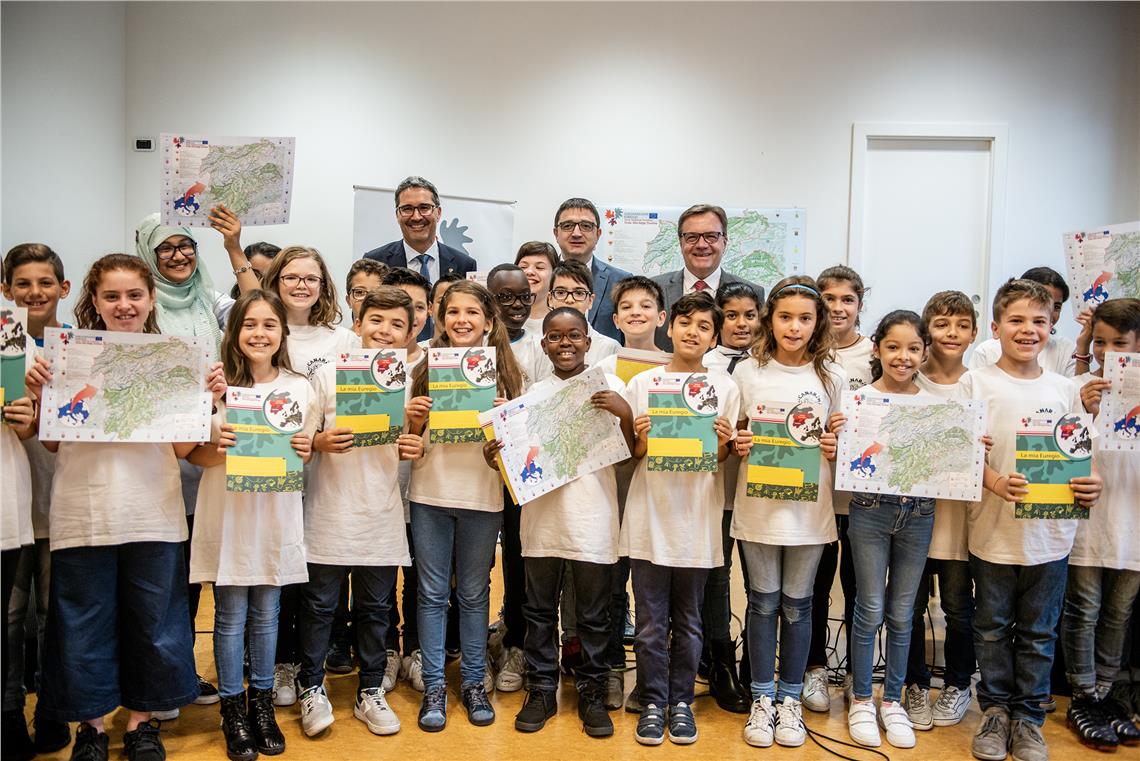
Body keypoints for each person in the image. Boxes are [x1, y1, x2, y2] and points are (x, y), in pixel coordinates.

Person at [25, 254, 225, 761]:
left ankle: (141, 723)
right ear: (94, 301)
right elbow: (51, 442)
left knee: (154, 624)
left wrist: (203, 399)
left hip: (153, 514)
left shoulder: (176, 359)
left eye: (135, 295)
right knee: (82, 623)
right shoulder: (68, 358)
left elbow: (185, 449)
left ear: (151, 299)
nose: (124, 305)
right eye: (111, 296)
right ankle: (91, 727)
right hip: (83, 513)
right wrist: (43, 392)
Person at [959, 278, 1102, 761]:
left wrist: (1093, 484)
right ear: (996, 327)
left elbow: (1082, 454)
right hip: (992, 532)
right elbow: (959, 453)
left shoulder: (1066, 389)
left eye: (1039, 321)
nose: (1028, 330)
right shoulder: (975, 382)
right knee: (992, 628)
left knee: (1040, 633)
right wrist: (996, 481)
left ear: (1051, 326)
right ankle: (995, 711)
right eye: (1016, 320)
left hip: (1051, 537)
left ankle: (1028, 719)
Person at [484, 306, 634, 737]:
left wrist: (624, 413)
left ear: (589, 341)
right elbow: (517, 466)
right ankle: (542, 689)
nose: (564, 343)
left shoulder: (611, 387)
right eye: (554, 336)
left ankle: (592, 691)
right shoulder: (532, 396)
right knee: (538, 611)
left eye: (573, 335)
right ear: (544, 344)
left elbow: (630, 454)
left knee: (594, 615)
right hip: (543, 522)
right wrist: (495, 458)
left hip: (594, 519)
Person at [136, 207, 259, 709]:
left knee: (199, 574)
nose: (178, 255)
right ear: (148, 254)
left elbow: (256, 307)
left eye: (185, 244)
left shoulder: (208, 298)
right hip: (158, 461)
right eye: (165, 247)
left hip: (211, 452)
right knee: (167, 582)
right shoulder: (141, 308)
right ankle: (164, 681)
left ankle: (185, 674)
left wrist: (233, 246)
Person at [187, 289, 317, 760]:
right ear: (233, 330)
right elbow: (194, 455)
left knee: (267, 611)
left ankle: (261, 705)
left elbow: (305, 451)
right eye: (249, 324)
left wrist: (306, 448)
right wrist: (218, 440)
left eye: (269, 325)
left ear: (282, 333)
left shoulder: (300, 387)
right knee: (229, 615)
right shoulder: (215, 384)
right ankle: (232, 709)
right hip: (228, 511)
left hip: (274, 512)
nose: (259, 334)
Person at [297, 287, 425, 739]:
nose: (385, 331)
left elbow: (409, 444)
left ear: (411, 333)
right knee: (319, 607)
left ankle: (370, 690)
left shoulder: (410, 381)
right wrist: (319, 441)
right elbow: (301, 440)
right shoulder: (326, 374)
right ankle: (311, 686)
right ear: (358, 324)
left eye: (397, 324)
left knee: (376, 608)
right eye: (376, 320)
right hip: (329, 511)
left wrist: (414, 437)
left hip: (380, 512)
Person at [621, 292, 741, 746]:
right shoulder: (644, 384)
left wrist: (725, 442)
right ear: (668, 326)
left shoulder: (724, 388)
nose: (693, 332)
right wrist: (642, 438)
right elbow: (634, 455)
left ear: (714, 337)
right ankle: (653, 700)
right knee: (650, 622)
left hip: (697, 517)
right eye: (685, 322)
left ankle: (682, 701)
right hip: (650, 515)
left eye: (704, 326)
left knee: (690, 620)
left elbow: (721, 457)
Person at [405, 281, 524, 732]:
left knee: (474, 594)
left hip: (481, 497)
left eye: (472, 312)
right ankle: (435, 685)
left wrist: (507, 419)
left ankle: (474, 681)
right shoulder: (423, 368)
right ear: (441, 319)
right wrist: (415, 420)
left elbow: (518, 453)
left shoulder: (508, 374)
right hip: (430, 495)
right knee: (432, 594)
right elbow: (408, 442)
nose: (462, 320)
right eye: (453, 311)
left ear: (489, 321)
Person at [731, 278, 844, 749]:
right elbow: (732, 432)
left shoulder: (831, 377)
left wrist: (837, 445)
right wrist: (738, 442)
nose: (794, 327)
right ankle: (762, 698)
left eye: (804, 318)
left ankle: (791, 700)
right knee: (762, 602)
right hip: (758, 507)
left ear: (818, 323)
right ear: (769, 320)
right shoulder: (747, 372)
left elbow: (846, 441)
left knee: (799, 606)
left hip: (809, 512)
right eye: (785, 317)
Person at [835, 311, 937, 750]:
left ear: (925, 353)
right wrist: (836, 439)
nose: (903, 356)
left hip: (919, 513)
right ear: (876, 348)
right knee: (869, 606)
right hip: (869, 511)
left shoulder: (936, 405)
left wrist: (969, 449)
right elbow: (843, 459)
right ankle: (861, 698)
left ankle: (892, 699)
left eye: (913, 348)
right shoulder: (857, 402)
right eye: (893, 347)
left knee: (903, 611)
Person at [1, 244, 72, 757]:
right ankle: (8, 713)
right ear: (6, 290)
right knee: (11, 616)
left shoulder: (80, 347)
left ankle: (53, 708)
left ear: (63, 288)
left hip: (60, 500)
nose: (34, 292)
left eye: (45, 282)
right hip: (10, 504)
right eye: (22, 284)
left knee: (54, 615)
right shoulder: (6, 344)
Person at [1063, 298, 1140, 749]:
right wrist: (1086, 412)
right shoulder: (1076, 387)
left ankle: (1107, 694)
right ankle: (1083, 695)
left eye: (1119, 343)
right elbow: (1061, 451)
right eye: (1099, 343)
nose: (1107, 353)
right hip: (1088, 520)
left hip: (1133, 519)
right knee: (1084, 607)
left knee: (1119, 610)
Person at [904, 291, 982, 731]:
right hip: (911, 521)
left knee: (958, 608)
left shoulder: (980, 385)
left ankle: (957, 683)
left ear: (974, 333)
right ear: (927, 330)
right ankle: (914, 683)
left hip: (958, 521)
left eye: (962, 325)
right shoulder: (908, 381)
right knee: (909, 608)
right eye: (941, 324)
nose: (952, 333)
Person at [591, 275, 669, 711]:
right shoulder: (601, 367)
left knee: (651, 591)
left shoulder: (677, 368)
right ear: (616, 318)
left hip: (656, 492)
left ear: (661, 317)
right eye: (627, 307)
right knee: (610, 586)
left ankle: (651, 676)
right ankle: (611, 670)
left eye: (645, 305)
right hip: (610, 488)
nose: (636, 312)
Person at [801, 263, 872, 712]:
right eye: (829, 299)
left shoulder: (876, 354)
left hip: (864, 497)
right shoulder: (805, 354)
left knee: (859, 588)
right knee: (815, 585)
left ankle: (855, 671)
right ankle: (813, 667)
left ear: (861, 305)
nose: (839, 307)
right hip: (819, 492)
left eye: (848, 299)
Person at [697, 281, 762, 715]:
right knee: (716, 578)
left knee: (759, 583)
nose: (741, 324)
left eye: (750, 315)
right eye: (731, 315)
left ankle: (755, 665)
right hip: (716, 487)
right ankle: (718, 660)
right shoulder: (702, 363)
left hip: (762, 488)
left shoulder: (769, 364)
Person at [379, 267, 432, 690]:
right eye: (400, 307)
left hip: (423, 490)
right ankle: (385, 651)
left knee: (418, 577)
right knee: (380, 579)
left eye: (416, 307)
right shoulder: (361, 361)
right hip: (377, 489)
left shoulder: (439, 362)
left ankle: (416, 650)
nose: (409, 316)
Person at [362, 176, 478, 340]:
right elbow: (365, 313)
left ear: (438, 213)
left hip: (447, 352)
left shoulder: (464, 264)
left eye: (424, 208)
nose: (416, 217)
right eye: (407, 209)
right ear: (397, 215)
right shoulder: (376, 260)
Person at [651, 204, 761, 351]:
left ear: (724, 242)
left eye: (711, 236)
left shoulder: (754, 293)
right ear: (681, 243)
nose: (701, 245)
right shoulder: (653, 289)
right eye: (692, 237)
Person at [968, 266, 1077, 377]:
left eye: (1056, 307)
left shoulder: (1066, 351)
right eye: (1017, 320)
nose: (1028, 329)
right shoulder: (986, 352)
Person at [552, 198, 630, 343]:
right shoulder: (541, 278)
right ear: (556, 233)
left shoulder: (621, 281)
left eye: (586, 226)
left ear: (598, 234)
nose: (576, 233)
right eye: (567, 226)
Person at [534, 261, 619, 382]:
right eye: (561, 293)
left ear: (590, 301)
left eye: (579, 293)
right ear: (550, 299)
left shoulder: (610, 348)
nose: (569, 300)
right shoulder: (535, 345)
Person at [515, 241, 559, 335]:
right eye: (523, 267)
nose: (529, 272)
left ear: (554, 275)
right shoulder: (500, 320)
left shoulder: (563, 321)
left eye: (539, 267)